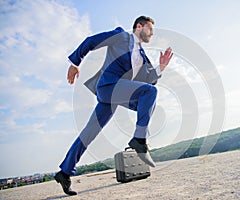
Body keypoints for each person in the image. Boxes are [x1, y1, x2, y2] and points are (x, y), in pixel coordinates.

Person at [54, 16, 173, 195]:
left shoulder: (142, 56)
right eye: (149, 29)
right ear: (139, 26)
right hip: (108, 87)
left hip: (115, 97)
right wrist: (75, 63)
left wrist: (160, 68)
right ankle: (139, 140)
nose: (151, 34)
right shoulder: (120, 36)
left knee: (88, 134)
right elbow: (91, 42)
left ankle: (64, 173)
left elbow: (148, 80)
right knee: (149, 93)